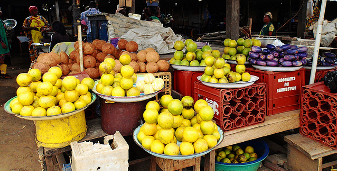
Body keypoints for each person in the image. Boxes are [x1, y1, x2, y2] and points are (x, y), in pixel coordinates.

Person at [0, 8, 12, 79]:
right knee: (3, 59)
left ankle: (3, 73)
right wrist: (2, 42)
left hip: (4, 41)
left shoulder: (1, 21)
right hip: (1, 44)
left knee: (4, 58)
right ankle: (3, 74)